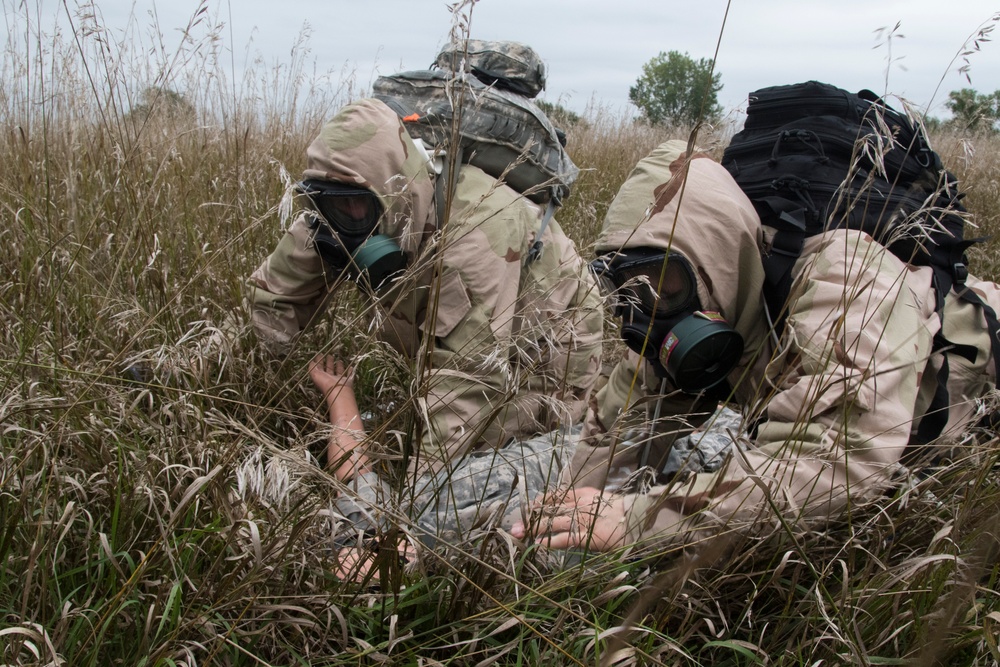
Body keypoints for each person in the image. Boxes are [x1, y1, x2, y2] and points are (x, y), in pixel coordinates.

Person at [513, 139, 1000, 552]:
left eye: (666, 281)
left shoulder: (846, 280)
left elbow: (837, 465)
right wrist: (567, 515)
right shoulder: (682, 313)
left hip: (975, 414)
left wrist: (637, 520)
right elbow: (615, 433)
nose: (649, 309)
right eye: (628, 289)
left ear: (721, 256)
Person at [247, 98, 603, 478]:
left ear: (398, 194)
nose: (344, 225)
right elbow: (271, 304)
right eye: (330, 206)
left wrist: (412, 507)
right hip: (467, 333)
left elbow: (469, 383)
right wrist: (265, 392)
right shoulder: (329, 210)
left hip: (544, 348)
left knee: (477, 474)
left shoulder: (478, 232)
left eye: (357, 208)